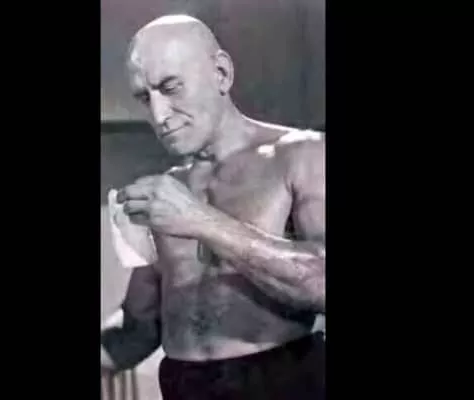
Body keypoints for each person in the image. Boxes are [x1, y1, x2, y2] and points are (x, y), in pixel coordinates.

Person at [101, 14, 325, 400]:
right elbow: (138, 331)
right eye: (144, 98)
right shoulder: (166, 191)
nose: (159, 115)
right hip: (185, 386)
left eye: (170, 88)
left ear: (221, 73)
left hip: (285, 381)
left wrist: (200, 221)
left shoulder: (302, 156)